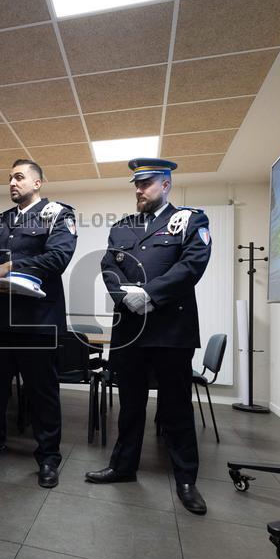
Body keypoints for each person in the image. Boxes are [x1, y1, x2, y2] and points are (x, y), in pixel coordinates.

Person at [85, 157, 212, 516]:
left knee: (175, 407)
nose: (140, 190)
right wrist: (124, 296)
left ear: (166, 185)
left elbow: (192, 265)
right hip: (129, 330)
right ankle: (123, 466)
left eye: (148, 183)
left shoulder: (189, 220)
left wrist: (151, 294)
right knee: (130, 405)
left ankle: (186, 478)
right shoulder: (122, 227)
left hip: (172, 330)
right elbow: (108, 266)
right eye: (137, 185)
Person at [0, 160, 77, 489]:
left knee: (43, 394)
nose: (12, 182)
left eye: (20, 177)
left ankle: (49, 457)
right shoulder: (1, 220)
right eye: (10, 177)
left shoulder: (58, 214)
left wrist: (12, 265)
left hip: (38, 322)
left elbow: (58, 257)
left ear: (38, 183)